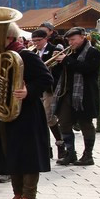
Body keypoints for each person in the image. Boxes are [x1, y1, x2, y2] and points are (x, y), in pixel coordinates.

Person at [0, 21, 54, 199]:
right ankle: (18, 194)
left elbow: (46, 79)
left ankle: (29, 198)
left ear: (8, 37)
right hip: (4, 112)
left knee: (27, 155)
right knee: (11, 153)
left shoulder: (25, 55)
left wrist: (29, 90)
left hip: (27, 113)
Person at [54, 27, 100, 166]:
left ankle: (88, 155)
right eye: (68, 40)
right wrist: (58, 61)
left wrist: (67, 60)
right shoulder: (70, 52)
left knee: (85, 123)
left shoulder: (93, 52)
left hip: (84, 94)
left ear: (82, 37)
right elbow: (60, 72)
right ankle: (70, 152)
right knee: (64, 122)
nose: (70, 43)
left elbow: (87, 68)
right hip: (67, 93)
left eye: (73, 39)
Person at [29, 28, 64, 158]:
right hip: (36, 90)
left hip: (49, 89)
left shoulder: (54, 50)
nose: (36, 43)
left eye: (38, 41)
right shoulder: (32, 52)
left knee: (48, 117)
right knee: (40, 120)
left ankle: (60, 144)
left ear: (46, 39)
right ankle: (46, 149)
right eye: (34, 41)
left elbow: (59, 69)